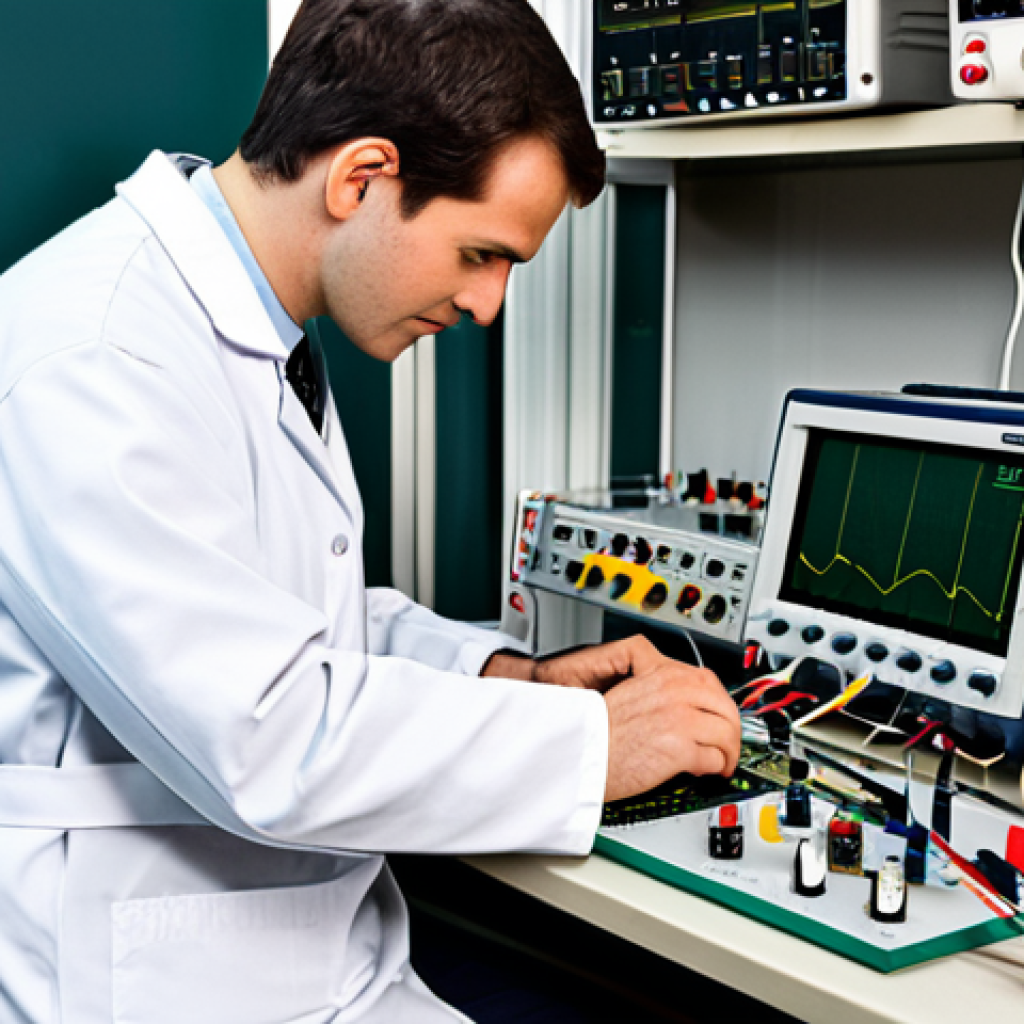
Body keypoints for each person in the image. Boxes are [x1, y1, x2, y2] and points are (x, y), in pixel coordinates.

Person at [0, 1, 741, 1021]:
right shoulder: (93, 357)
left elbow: (279, 610)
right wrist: (591, 746)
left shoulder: (237, 317)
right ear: (360, 176)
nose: (488, 307)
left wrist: (507, 673)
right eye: (484, 254)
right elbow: (263, 731)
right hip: (152, 978)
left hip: (305, 948)